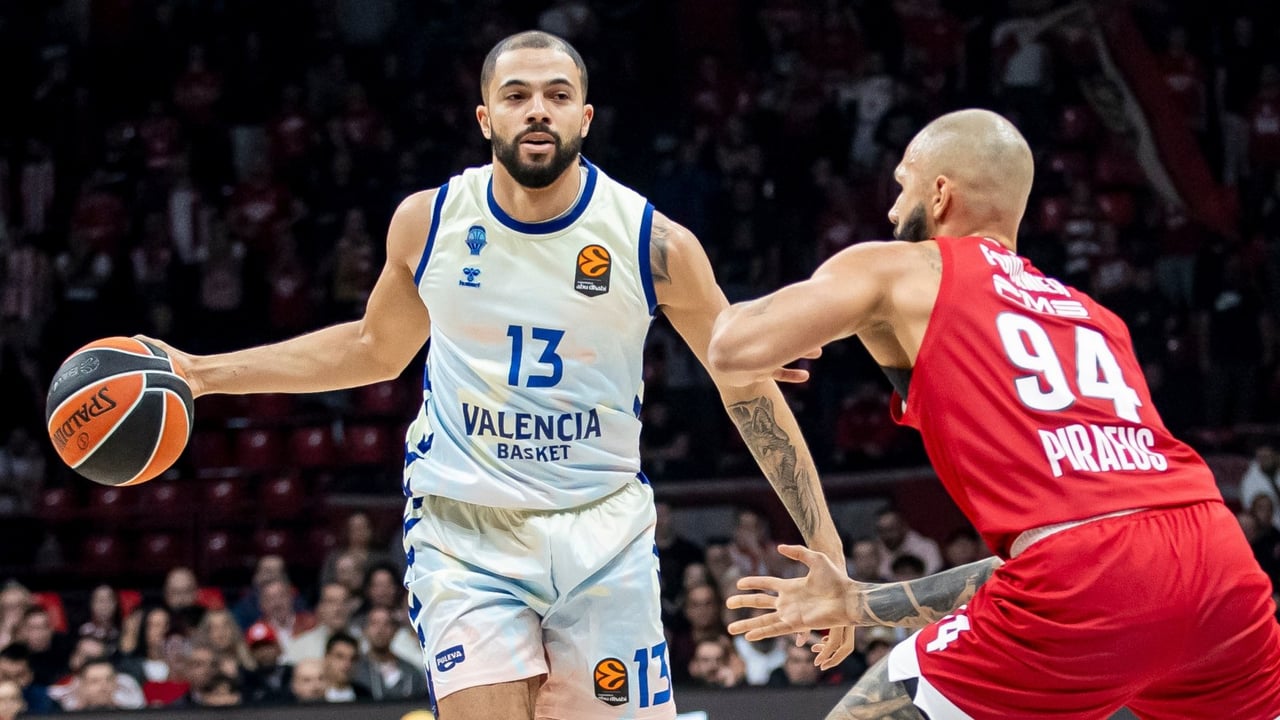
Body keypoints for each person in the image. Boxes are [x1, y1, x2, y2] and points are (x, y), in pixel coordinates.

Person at [142, 29, 848, 720]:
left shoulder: (653, 243)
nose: (537, 109)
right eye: (516, 95)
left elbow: (746, 385)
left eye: (557, 94)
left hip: (601, 535)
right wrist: (202, 373)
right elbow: (372, 348)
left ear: (585, 116)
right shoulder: (430, 222)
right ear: (486, 117)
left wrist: (827, 545)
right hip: (464, 531)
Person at [710, 109, 1280, 719]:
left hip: (1087, 582)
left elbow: (731, 345)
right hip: (1221, 568)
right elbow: (1079, 544)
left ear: (940, 192)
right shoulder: (1092, 317)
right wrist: (857, 603)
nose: (891, 209)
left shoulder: (902, 265)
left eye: (902, 186)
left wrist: (801, 330)